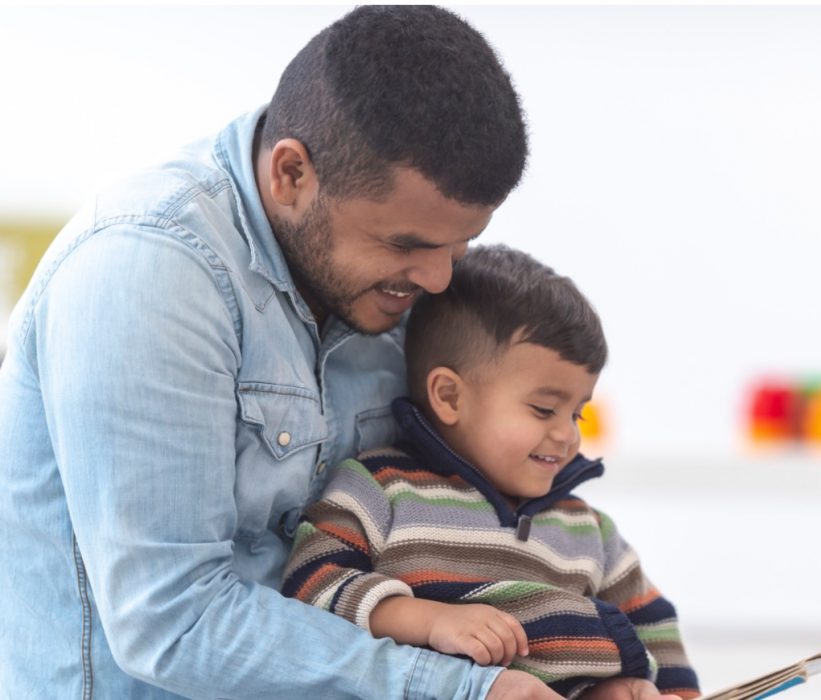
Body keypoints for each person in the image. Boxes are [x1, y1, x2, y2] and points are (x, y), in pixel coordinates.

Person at [0, 6, 574, 698]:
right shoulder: (146, 268)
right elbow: (171, 621)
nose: (440, 280)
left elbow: (441, 526)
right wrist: (457, 690)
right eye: (406, 244)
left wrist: (589, 670)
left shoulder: (393, 288)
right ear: (291, 174)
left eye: (459, 244)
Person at [281, 245, 700, 700]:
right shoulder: (380, 489)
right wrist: (430, 620)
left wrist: (641, 689)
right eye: (544, 409)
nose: (567, 436)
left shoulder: (588, 530)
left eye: (577, 414)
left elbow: (652, 620)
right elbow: (311, 582)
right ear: (450, 397)